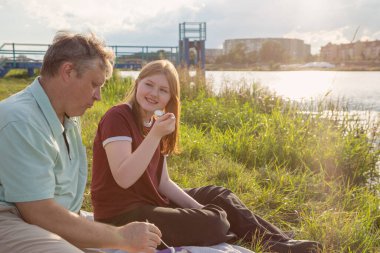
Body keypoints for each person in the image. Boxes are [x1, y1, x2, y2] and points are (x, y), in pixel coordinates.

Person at [91, 60, 323, 253]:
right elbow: (123, 177)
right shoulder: (118, 116)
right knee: (214, 221)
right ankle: (235, 231)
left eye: (163, 90)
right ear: (137, 83)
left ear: (170, 97)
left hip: (149, 201)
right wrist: (155, 135)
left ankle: (278, 241)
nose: (154, 94)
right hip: (122, 216)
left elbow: (163, 182)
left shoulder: (154, 123)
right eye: (149, 85)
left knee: (218, 195)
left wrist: (199, 207)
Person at [0, 31, 162, 253]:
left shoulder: (68, 117)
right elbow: (38, 212)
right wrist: (120, 236)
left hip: (52, 216)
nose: (98, 96)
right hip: (10, 219)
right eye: (95, 84)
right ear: (68, 71)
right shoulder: (20, 120)